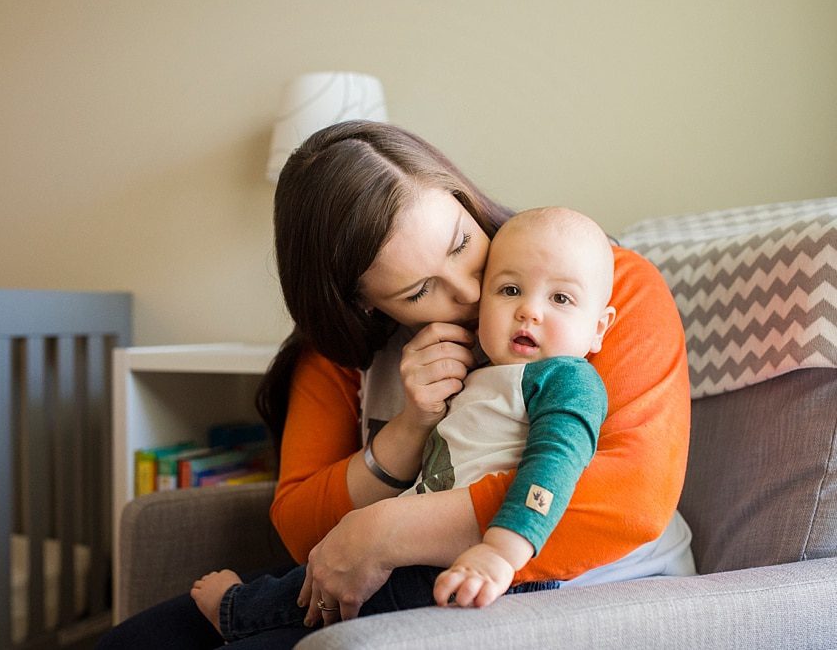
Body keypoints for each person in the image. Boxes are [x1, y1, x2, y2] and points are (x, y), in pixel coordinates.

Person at [97, 121, 694, 649]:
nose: (466, 291)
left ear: (464, 199)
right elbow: (301, 527)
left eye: (461, 244)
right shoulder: (344, 353)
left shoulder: (591, 291)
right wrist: (409, 428)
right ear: (362, 308)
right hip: (406, 582)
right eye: (417, 291)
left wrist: (381, 531)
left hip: (579, 585)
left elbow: (628, 500)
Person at [188, 206, 619, 641]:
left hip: (489, 567)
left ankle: (239, 611)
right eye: (509, 290)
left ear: (599, 327)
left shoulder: (569, 379)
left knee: (327, 594)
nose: (529, 311)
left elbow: (555, 468)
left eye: (560, 299)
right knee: (327, 575)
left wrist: (499, 554)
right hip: (429, 551)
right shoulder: (480, 372)